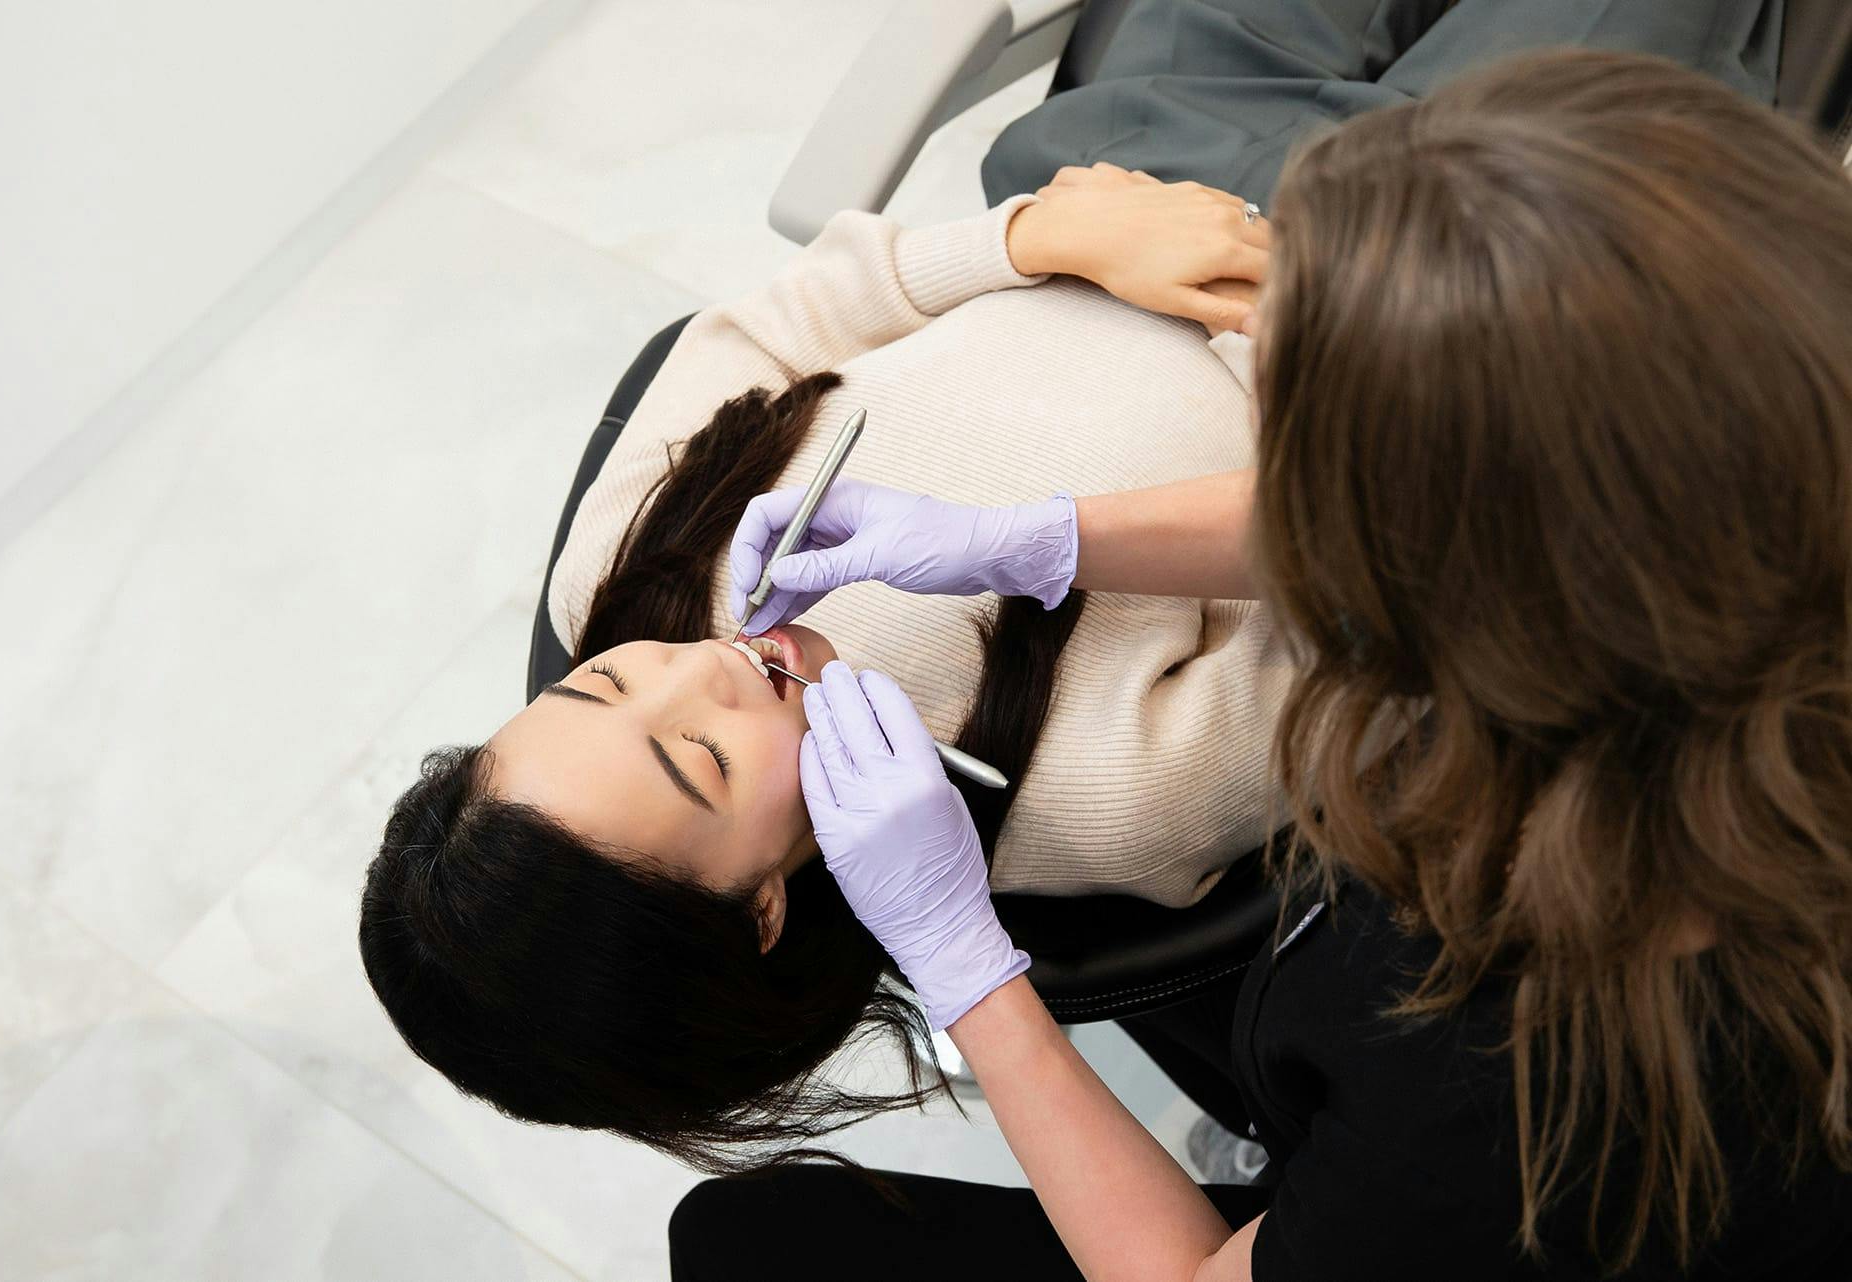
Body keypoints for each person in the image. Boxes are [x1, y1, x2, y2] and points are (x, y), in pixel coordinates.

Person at [672, 49, 1852, 1280]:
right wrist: (1044, 538)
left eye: (1283, 443)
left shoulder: (1533, 1094)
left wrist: (966, 966)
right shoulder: (1750, 489)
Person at [358, 166, 1293, 1172]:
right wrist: (1280, 293)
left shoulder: (618, 574)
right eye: (701, 758)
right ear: (759, 906)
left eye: (600, 683)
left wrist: (1034, 236)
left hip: (1108, 181)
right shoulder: (1108, 796)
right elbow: (1405, 578)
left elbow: (769, 330)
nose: (704, 668)